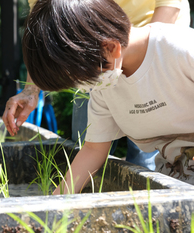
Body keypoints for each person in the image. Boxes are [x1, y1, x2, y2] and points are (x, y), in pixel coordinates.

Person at [19, 0, 194, 194]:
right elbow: (94, 149)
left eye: (82, 78)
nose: (84, 89)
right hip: (177, 175)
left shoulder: (182, 50)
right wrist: (56, 201)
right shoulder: (105, 83)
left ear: (111, 48)